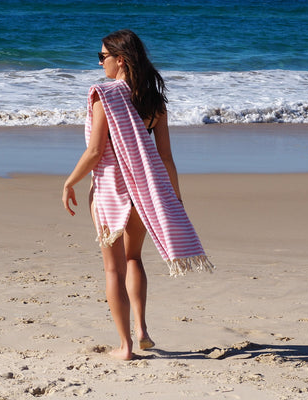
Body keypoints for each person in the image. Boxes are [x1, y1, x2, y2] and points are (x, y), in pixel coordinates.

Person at [62, 29, 213, 360]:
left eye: (103, 57)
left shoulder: (105, 96)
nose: (100, 62)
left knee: (112, 269)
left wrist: (69, 181)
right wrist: (174, 196)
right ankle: (142, 329)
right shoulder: (154, 102)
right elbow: (166, 157)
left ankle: (125, 346)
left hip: (111, 192)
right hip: (144, 191)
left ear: (120, 59)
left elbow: (95, 151)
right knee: (133, 259)